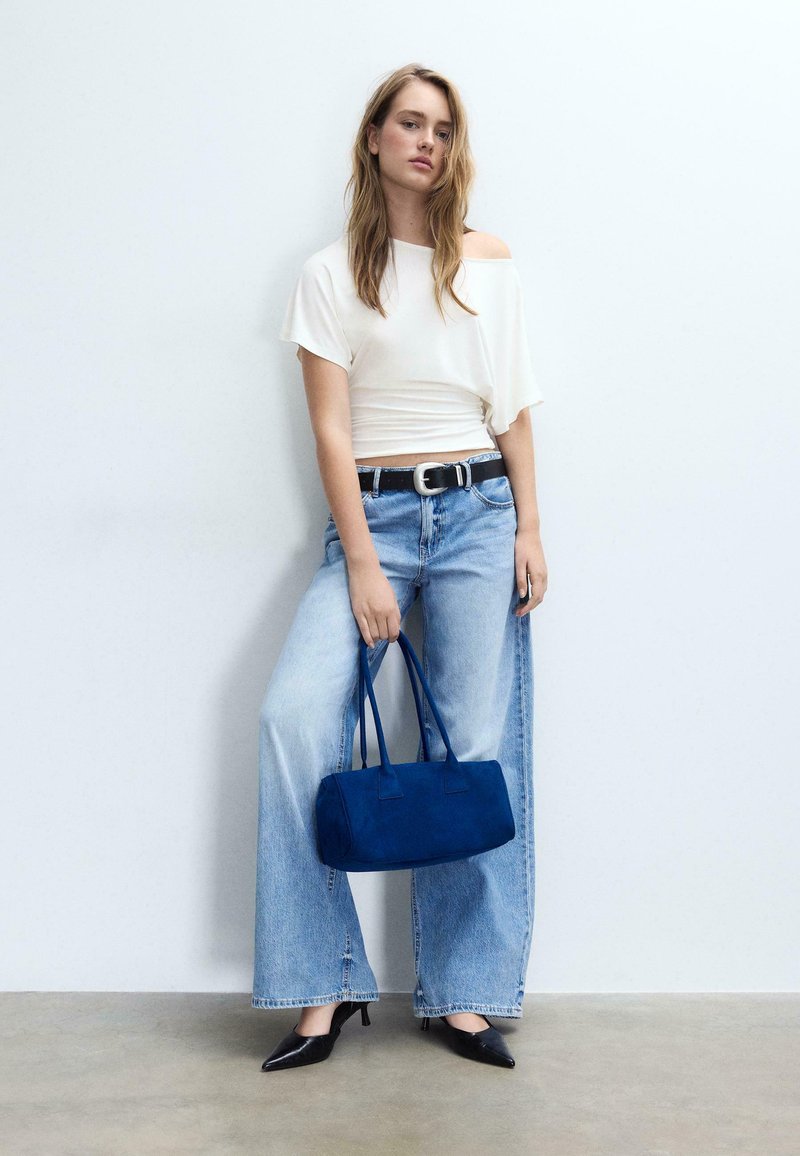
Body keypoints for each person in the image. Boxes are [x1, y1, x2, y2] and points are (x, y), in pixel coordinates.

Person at [253, 62, 547, 1072]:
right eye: (411, 123)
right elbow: (332, 434)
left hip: (477, 514)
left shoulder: (486, 262)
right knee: (293, 719)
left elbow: (512, 405)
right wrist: (364, 565)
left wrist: (530, 526)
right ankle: (326, 979)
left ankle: (463, 992)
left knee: (474, 746)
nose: (428, 141)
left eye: (443, 129)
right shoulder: (328, 273)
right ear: (373, 136)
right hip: (370, 520)